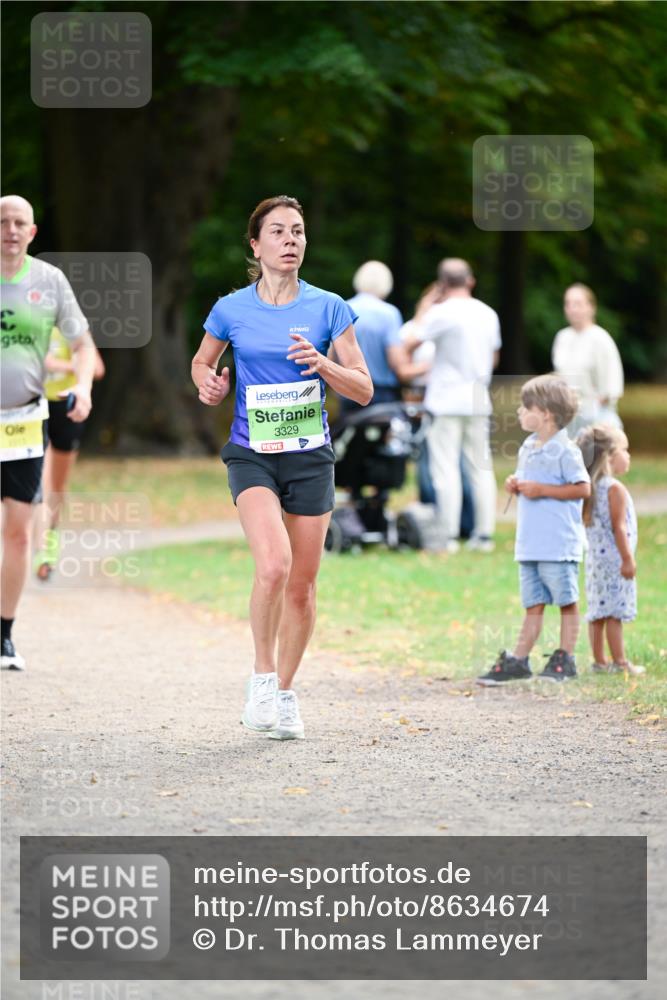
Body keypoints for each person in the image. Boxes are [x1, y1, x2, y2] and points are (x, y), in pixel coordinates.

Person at [191, 195, 372, 740]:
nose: (291, 240)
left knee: (302, 584)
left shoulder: (330, 307)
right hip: (252, 454)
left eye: (297, 231)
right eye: (278, 232)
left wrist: (323, 365)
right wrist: (208, 382)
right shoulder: (230, 310)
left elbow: (362, 387)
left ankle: (287, 694)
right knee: (273, 566)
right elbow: (203, 362)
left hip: (310, 457)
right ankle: (262, 678)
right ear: (256, 244)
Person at [1, 194, 95, 670]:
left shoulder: (49, 280)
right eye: (3, 222)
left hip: (23, 421)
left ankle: (5, 634)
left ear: (32, 232)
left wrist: (82, 384)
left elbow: (83, 343)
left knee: (18, 532)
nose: (11, 230)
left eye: (20, 223)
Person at [477, 375, 591, 686]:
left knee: (566, 601)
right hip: (530, 543)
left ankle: (565, 658)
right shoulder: (528, 445)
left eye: (525, 407)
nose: (519, 412)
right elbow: (526, 479)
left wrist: (542, 489)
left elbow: (582, 488)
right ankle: (519, 660)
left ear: (546, 414)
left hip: (558, 543)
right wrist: (514, 483)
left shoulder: (566, 450)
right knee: (533, 603)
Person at [406, 258, 500, 553]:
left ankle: (448, 533)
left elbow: (410, 342)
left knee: (445, 468)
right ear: (470, 281)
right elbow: (494, 356)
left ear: (443, 285)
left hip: (446, 398)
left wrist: (424, 310)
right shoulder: (488, 313)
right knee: (481, 467)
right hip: (478, 396)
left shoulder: (440, 313)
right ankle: (483, 533)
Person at [33, 327, 106, 580]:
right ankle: (40, 550)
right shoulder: (23, 320)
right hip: (35, 406)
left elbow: (97, 369)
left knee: (57, 485)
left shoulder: (72, 327)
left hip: (67, 408)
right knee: (40, 479)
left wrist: (61, 365)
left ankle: (49, 544)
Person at [576, 424, 645, 676]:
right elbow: (620, 528)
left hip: (595, 562)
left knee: (597, 612)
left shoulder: (589, 490)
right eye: (624, 450)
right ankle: (620, 662)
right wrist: (627, 559)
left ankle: (599, 661)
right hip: (614, 562)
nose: (628, 456)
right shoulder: (614, 489)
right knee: (614, 613)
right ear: (608, 457)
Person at [340, 260, 427, 412]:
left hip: (348, 391)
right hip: (380, 394)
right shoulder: (389, 314)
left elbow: (332, 356)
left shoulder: (343, 308)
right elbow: (397, 363)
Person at [552, 283, 624, 436]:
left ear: (591, 307)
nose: (572, 309)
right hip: (567, 418)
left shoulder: (601, 339)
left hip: (597, 418)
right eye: (568, 304)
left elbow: (611, 387)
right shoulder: (562, 337)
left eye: (577, 304)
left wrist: (591, 415)